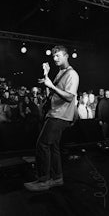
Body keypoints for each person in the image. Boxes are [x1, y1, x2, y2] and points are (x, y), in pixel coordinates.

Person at [24, 45, 79, 191]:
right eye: (53, 56)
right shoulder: (61, 72)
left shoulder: (72, 74)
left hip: (60, 115)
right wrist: (46, 76)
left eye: (58, 55)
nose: (55, 58)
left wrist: (52, 87)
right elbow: (52, 94)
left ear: (66, 56)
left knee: (42, 145)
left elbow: (69, 97)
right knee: (53, 147)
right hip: (54, 113)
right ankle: (57, 178)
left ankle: (44, 180)